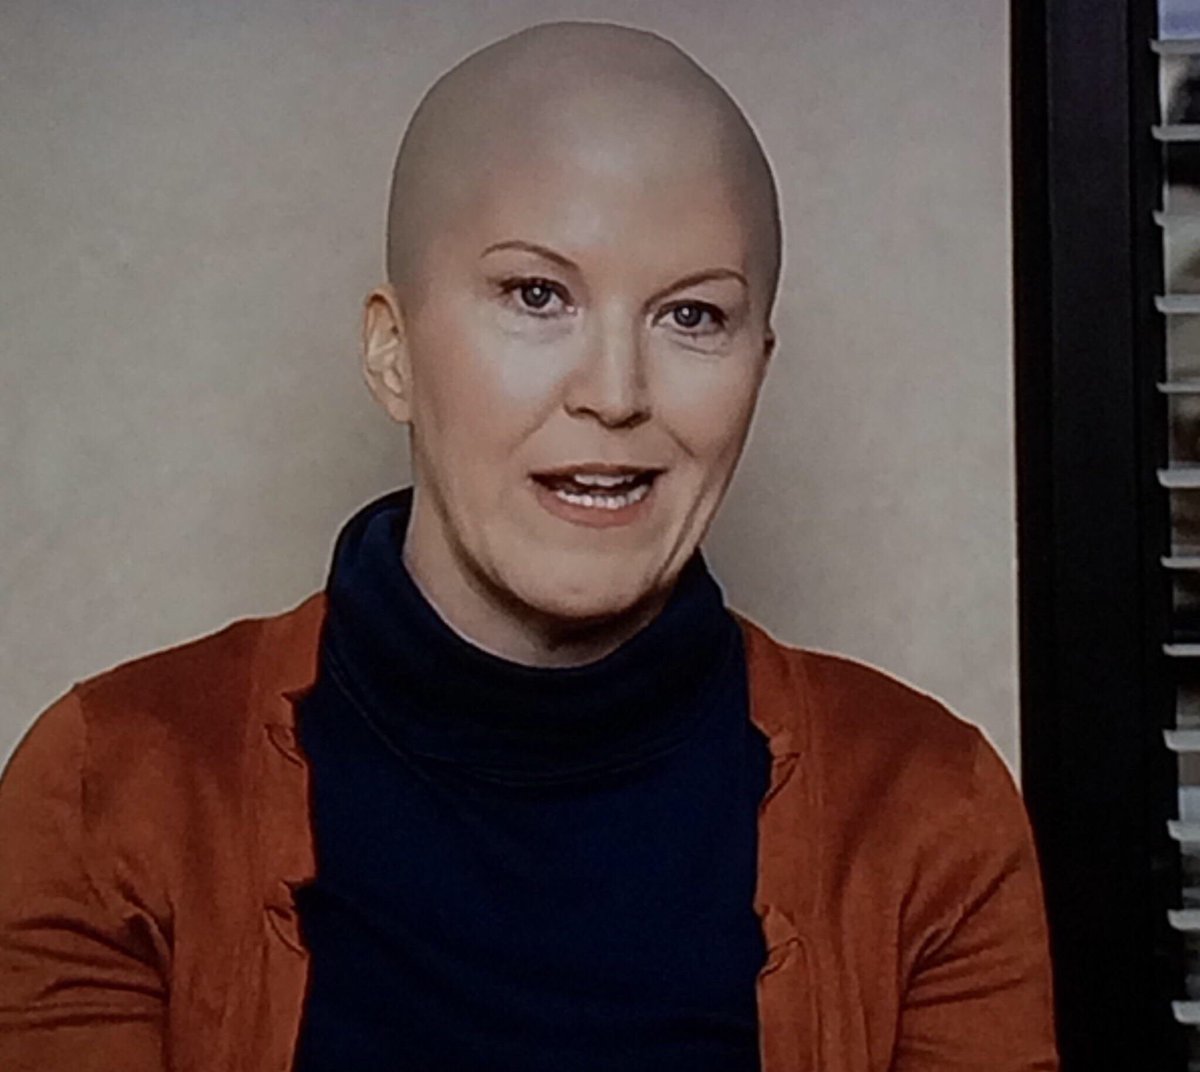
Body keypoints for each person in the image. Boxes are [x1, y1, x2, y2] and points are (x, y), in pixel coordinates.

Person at [0, 19, 1058, 1072]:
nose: (615, 393)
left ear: (759, 367)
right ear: (393, 352)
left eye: (693, 315)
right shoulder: (113, 787)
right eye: (537, 296)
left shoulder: (926, 811)